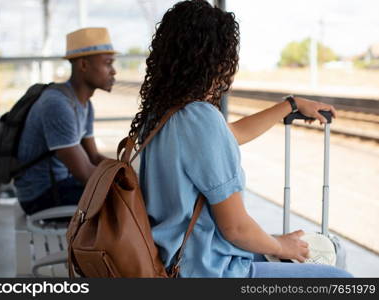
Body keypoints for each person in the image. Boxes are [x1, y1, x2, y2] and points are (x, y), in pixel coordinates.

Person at [130, 0, 352, 277]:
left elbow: (233, 134)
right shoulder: (200, 118)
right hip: (208, 269)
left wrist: (291, 105)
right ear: (217, 60)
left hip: (175, 258)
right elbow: (235, 228)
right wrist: (283, 246)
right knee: (340, 279)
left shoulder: (162, 114)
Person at [14, 27, 116, 215]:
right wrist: (125, 187)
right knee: (121, 205)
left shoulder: (84, 104)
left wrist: (124, 173)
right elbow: (85, 173)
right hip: (40, 194)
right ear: (83, 65)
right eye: (108, 63)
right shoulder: (57, 104)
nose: (114, 71)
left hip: (61, 184)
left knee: (129, 198)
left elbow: (93, 158)